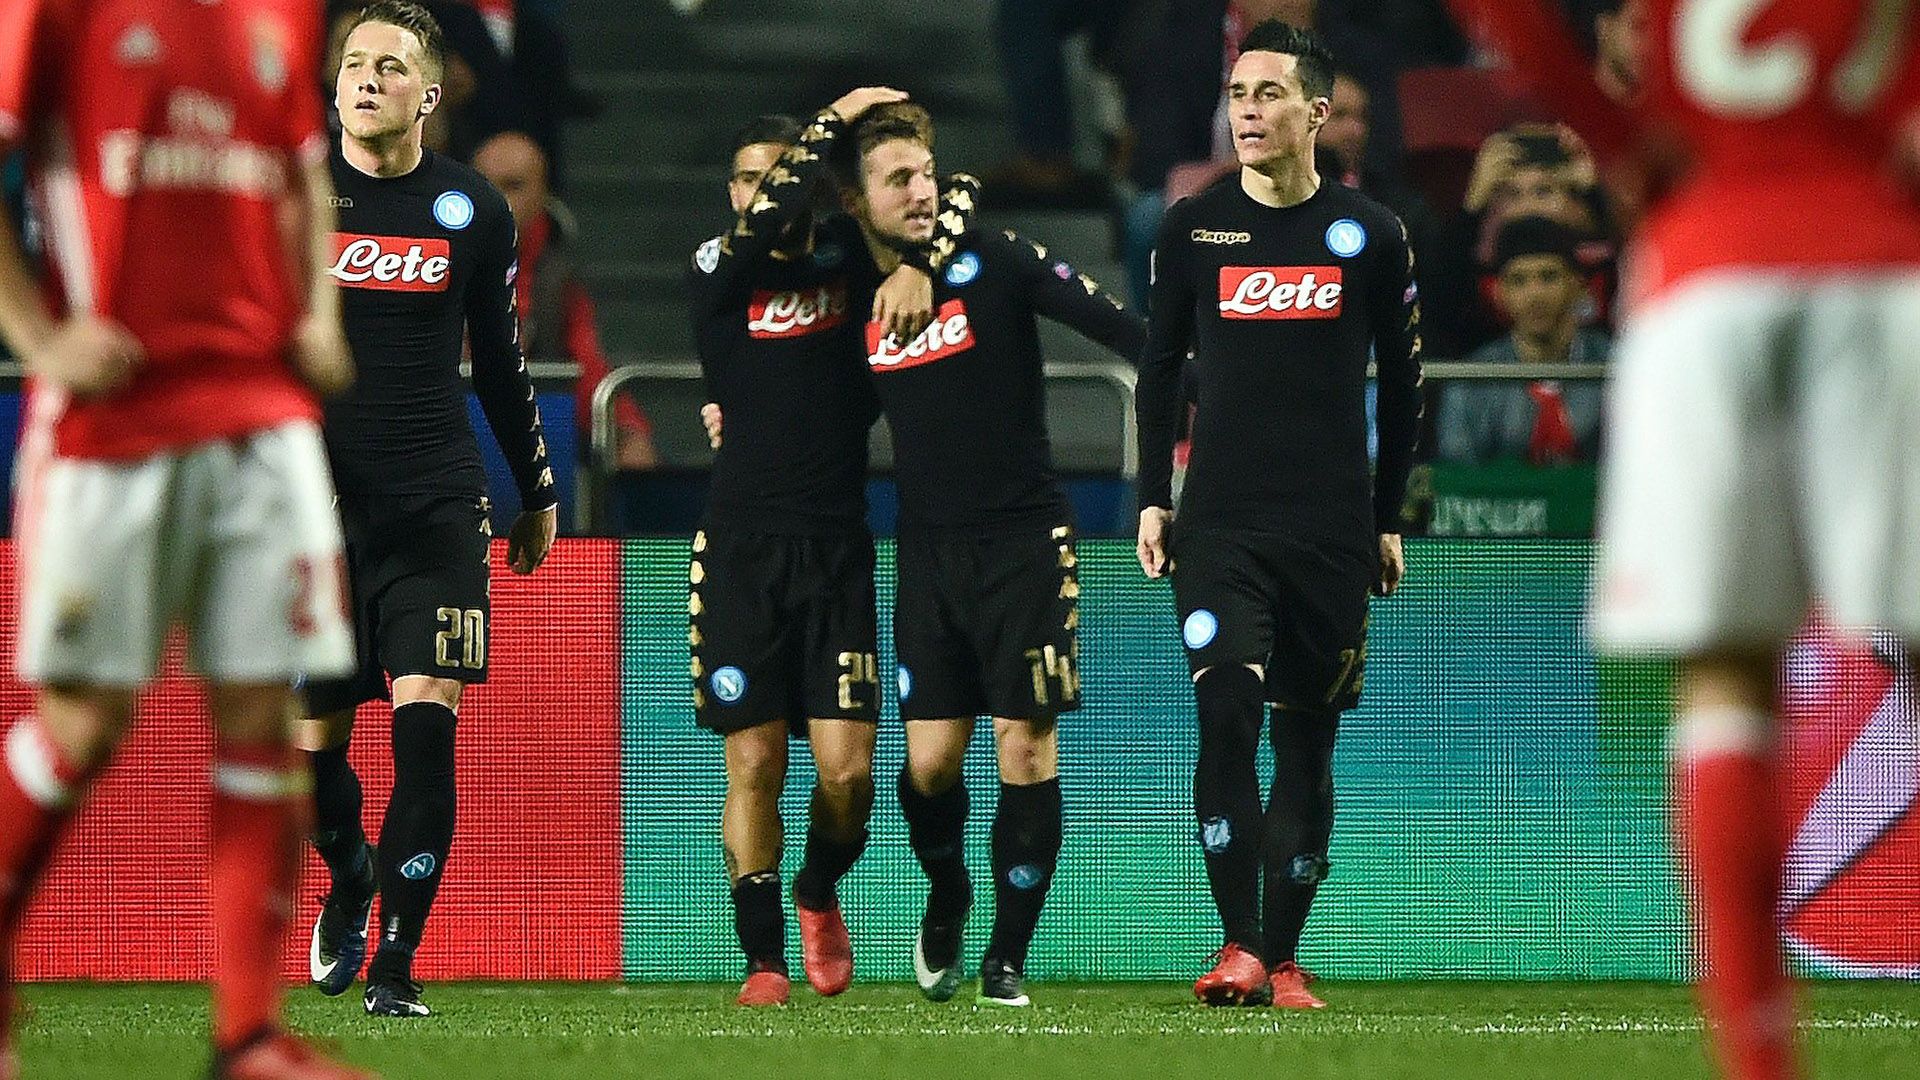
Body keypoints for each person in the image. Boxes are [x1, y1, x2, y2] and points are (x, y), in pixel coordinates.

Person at [1447, 2, 1920, 1078]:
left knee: (1724, 669)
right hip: (1880, 261)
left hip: (1704, 268)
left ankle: (1759, 1060)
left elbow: (1508, 15)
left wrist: (1620, 147)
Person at [0, 1, 371, 1078]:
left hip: (265, 413)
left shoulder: (285, 11)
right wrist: (35, 333)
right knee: (84, 723)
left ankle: (249, 1034)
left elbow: (302, 171)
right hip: (117, 419)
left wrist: (320, 314)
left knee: (266, 712)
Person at [831, 103, 1147, 1007]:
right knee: (930, 765)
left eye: (928, 174)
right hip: (928, 552)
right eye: (899, 180)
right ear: (859, 201)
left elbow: (1125, 333)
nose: (923, 190)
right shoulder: (854, 295)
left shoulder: (996, 258)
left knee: (1026, 745)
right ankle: (949, 891)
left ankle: (1008, 956)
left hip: (1026, 541)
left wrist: (1216, 397)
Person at [1135, 20, 1422, 1009]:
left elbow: (1409, 384)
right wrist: (1149, 499)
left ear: (1315, 110)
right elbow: (1159, 372)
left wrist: (1388, 518)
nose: (1247, 110)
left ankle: (1286, 955)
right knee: (1226, 715)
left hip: (1333, 530)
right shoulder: (1194, 228)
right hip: (1218, 525)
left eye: (1268, 94)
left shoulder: (1371, 236)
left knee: (1306, 742)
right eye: (1239, 93)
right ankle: (1240, 946)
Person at [303, 0, 559, 1020]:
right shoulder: (294, 201)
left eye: (392, 65)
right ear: (334, 87)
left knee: (427, 728)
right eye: (354, 63)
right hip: (311, 516)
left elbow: (499, 364)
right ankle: (352, 876)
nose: (369, 78)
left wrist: (534, 491)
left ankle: (398, 965)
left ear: (431, 94)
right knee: (314, 759)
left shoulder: (471, 211)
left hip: (435, 504)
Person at [685, 92, 970, 1007]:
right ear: (731, 193)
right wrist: (840, 110)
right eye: (750, 178)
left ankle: (817, 885)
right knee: (755, 762)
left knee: (846, 777)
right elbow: (766, 217)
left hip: (837, 548)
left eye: (787, 174)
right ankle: (764, 958)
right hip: (738, 549)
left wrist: (920, 259)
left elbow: (955, 194)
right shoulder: (716, 268)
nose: (768, 192)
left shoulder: (854, 258)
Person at [472, 130, 658, 471]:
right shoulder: (435, 263)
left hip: (540, 432)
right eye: (485, 185)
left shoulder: (560, 278)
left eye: (513, 185)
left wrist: (626, 430)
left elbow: (587, 362)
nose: (497, 199)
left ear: (543, 194)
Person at [1436, 215, 1607, 465]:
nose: (1535, 295)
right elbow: (1460, 485)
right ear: (1499, 293)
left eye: (1549, 276)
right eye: (1519, 280)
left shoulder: (1616, 367)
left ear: (1578, 284)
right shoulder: (1471, 380)